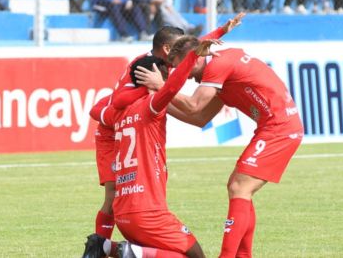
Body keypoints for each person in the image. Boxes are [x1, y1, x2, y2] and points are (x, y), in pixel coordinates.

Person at [80, 15, 246, 258]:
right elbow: (106, 106)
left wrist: (221, 30)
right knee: (112, 194)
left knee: (118, 195)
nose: (185, 63)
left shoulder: (154, 71)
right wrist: (120, 111)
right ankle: (105, 247)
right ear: (168, 50)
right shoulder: (148, 72)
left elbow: (193, 48)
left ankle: (109, 248)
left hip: (125, 124)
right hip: (114, 134)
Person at [136, 36, 304, 258]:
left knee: (239, 188)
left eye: (180, 67)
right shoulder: (218, 70)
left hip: (279, 128)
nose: (181, 76)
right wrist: (156, 102)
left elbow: (195, 104)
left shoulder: (217, 66)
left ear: (193, 59)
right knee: (239, 189)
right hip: (274, 127)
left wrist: (161, 86)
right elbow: (199, 117)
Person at [88, 41, 216, 258]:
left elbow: (98, 111)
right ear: (153, 78)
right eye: (165, 75)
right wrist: (194, 56)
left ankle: (106, 246)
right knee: (196, 255)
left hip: (123, 213)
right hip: (148, 212)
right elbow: (173, 88)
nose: (167, 79)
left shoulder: (117, 113)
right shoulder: (151, 105)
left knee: (162, 252)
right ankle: (131, 252)